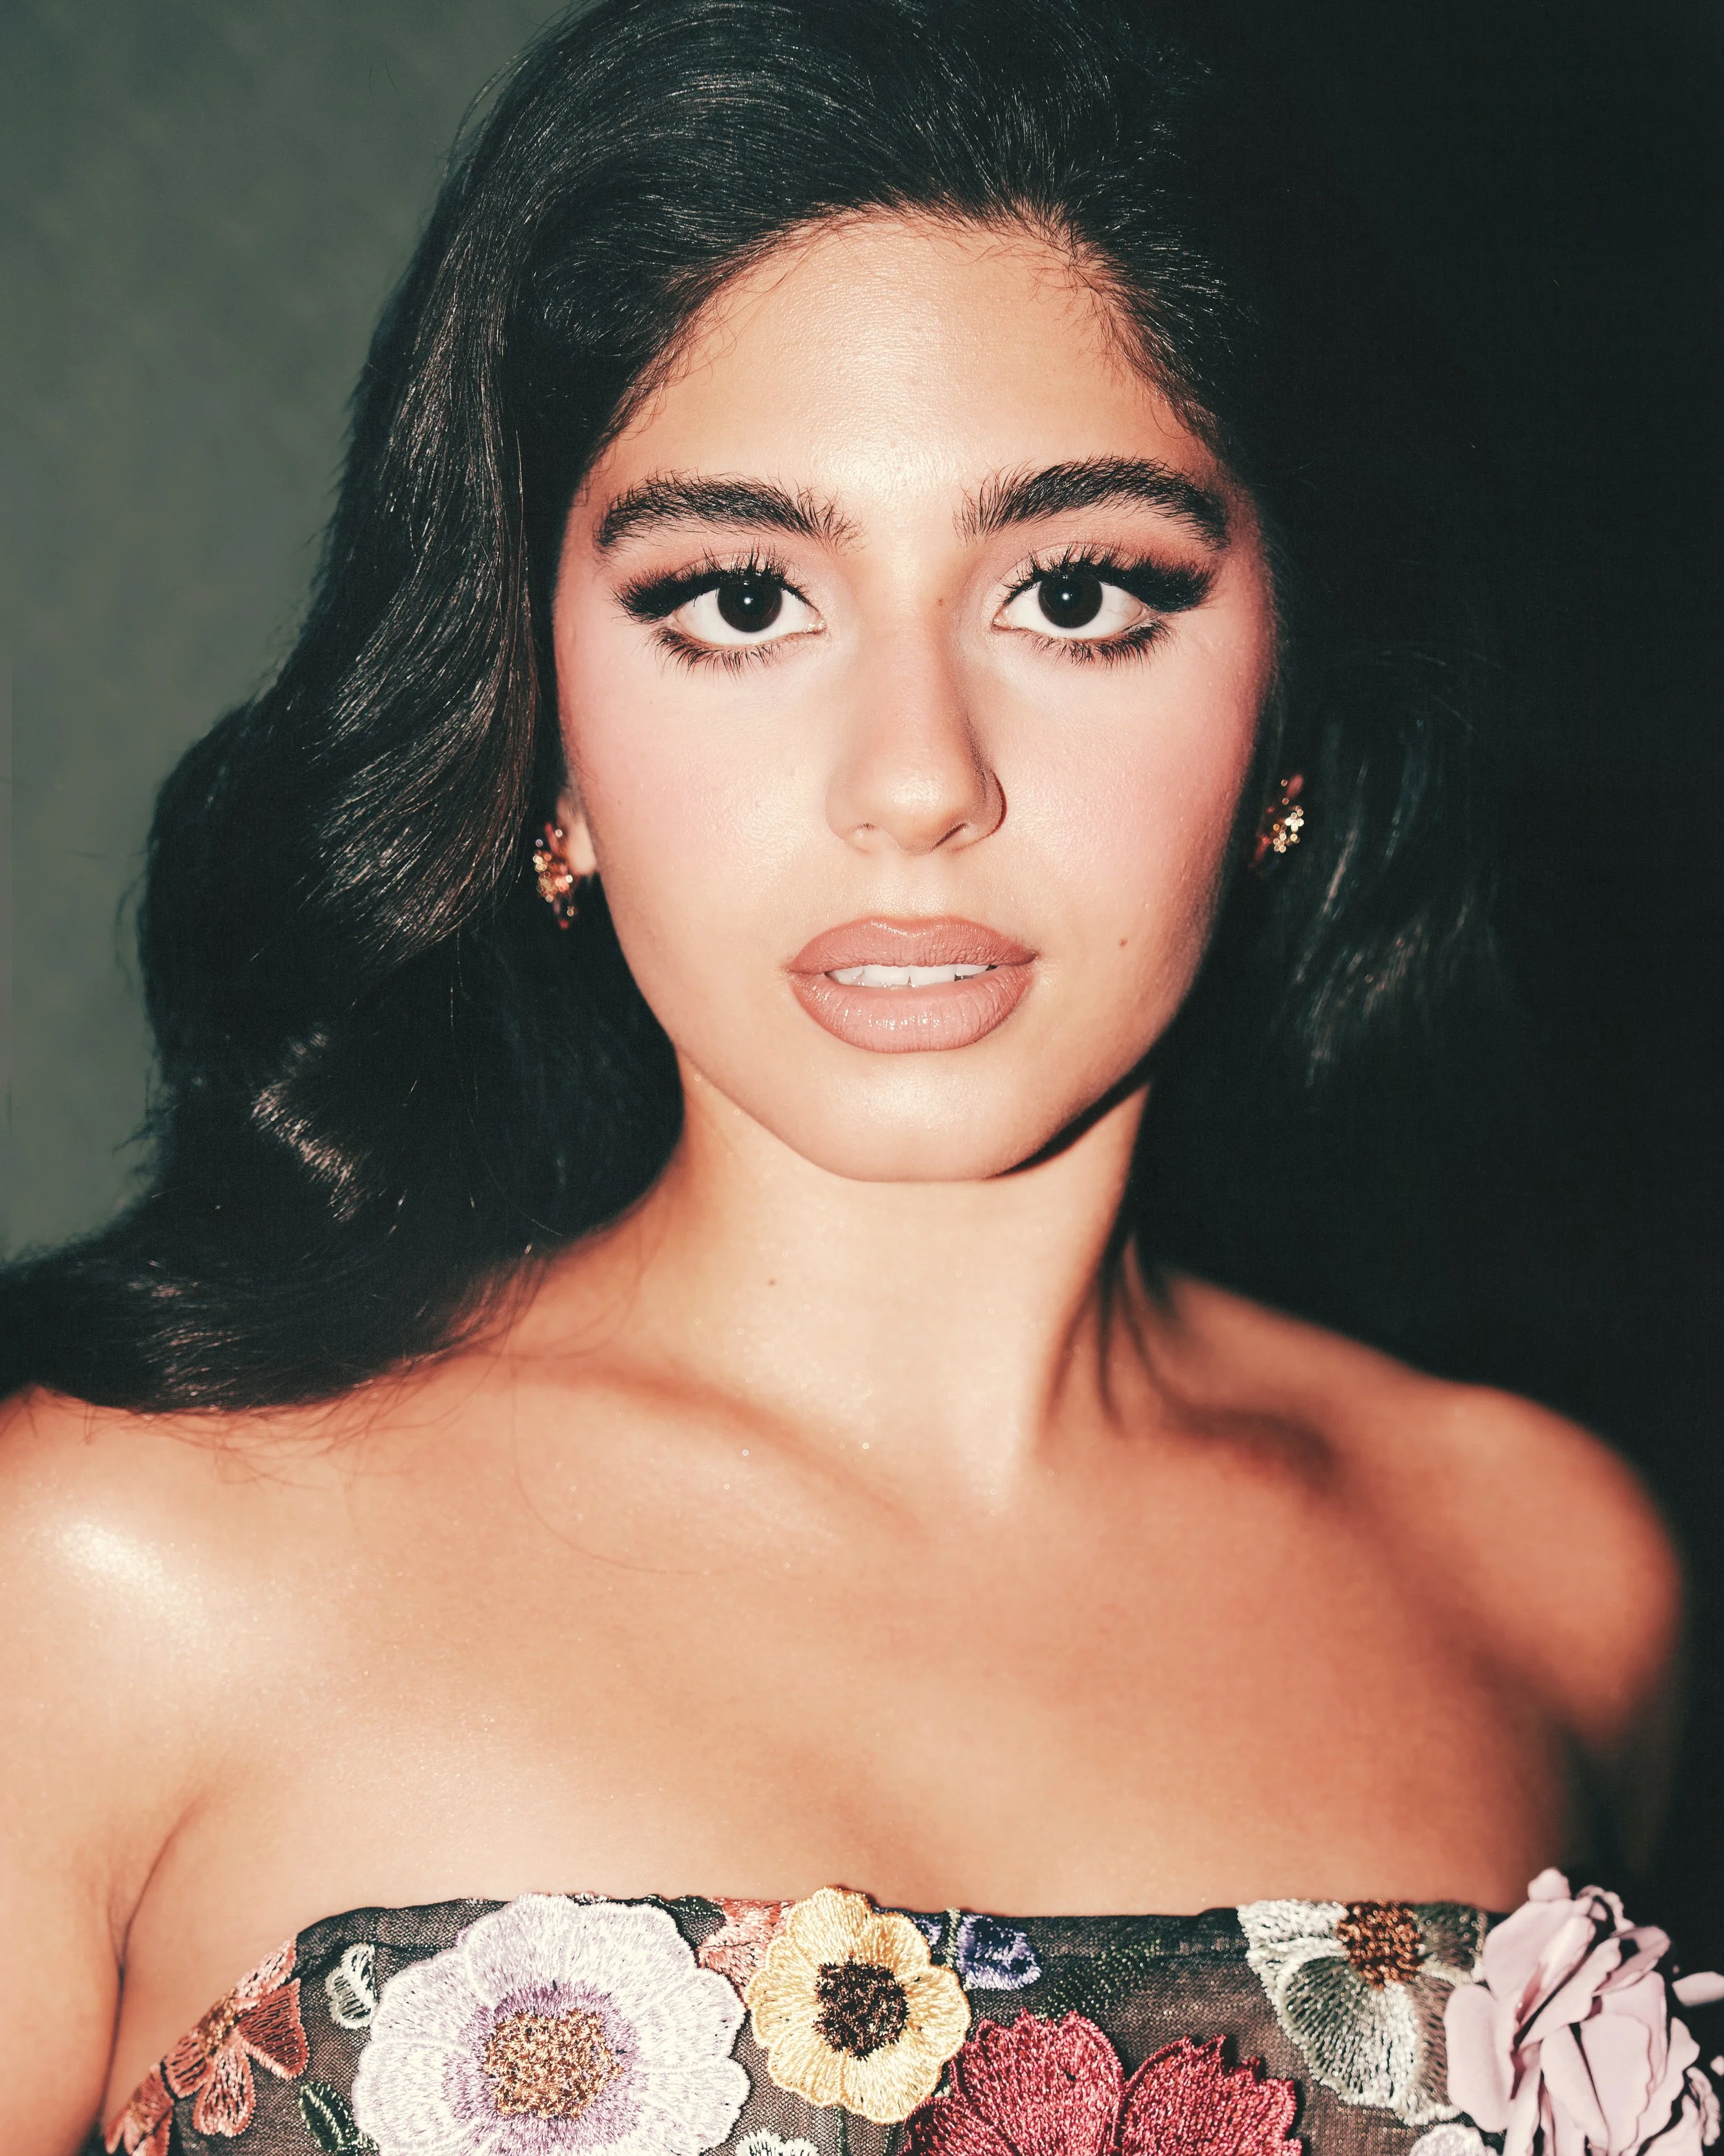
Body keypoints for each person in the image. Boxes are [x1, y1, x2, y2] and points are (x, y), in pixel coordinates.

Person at [0, 3, 1703, 2153]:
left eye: (1077, 594)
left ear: (1288, 712)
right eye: (736, 597)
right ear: (537, 731)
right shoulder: (100, 1569)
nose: (914, 783)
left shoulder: (1545, 1573)